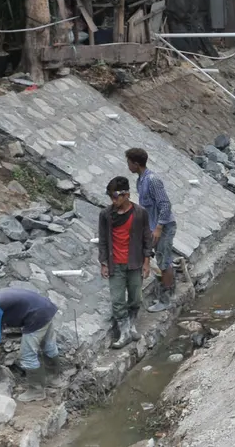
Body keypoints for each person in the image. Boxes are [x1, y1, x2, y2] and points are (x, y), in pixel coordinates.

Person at [98, 176, 153, 348]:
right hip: (115, 263)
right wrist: (104, 262)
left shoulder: (139, 213)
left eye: (116, 197)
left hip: (135, 262)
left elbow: (146, 238)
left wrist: (146, 262)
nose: (113, 201)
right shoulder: (106, 215)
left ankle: (131, 325)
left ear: (126, 195)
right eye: (111, 198)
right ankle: (124, 332)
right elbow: (103, 240)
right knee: (117, 299)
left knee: (136, 297)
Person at [126, 147, 177, 313]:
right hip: (153, 226)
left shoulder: (153, 180)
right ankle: (168, 290)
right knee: (163, 259)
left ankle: (166, 299)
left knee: (164, 260)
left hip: (163, 226)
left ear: (136, 163)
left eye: (129, 162)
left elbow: (165, 205)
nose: (128, 165)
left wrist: (159, 227)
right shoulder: (140, 180)